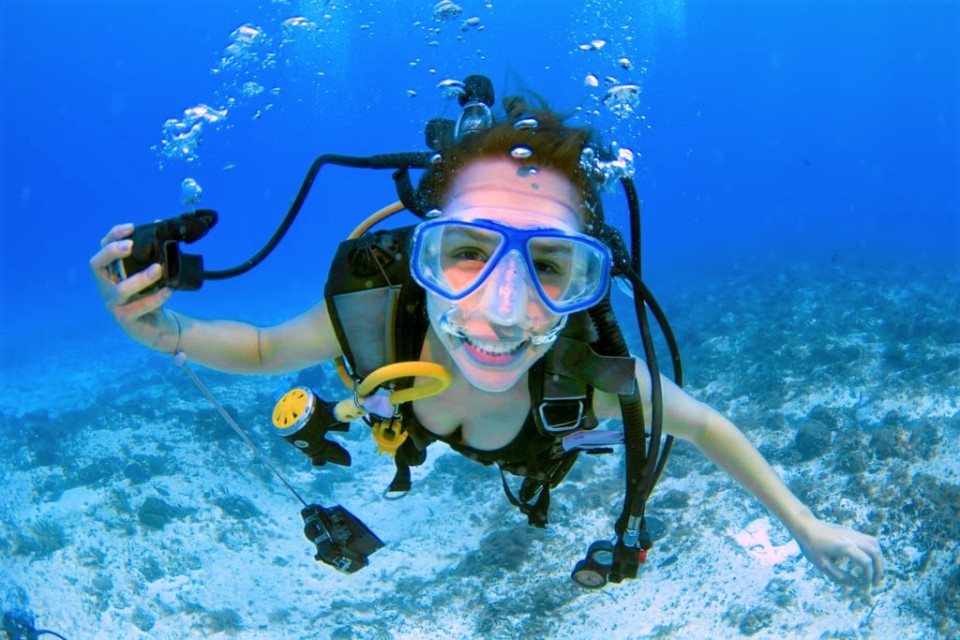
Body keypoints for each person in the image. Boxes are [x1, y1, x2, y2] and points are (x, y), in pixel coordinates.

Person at [90, 94, 883, 590]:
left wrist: (806, 525)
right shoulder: (379, 314)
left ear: (586, 279)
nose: (503, 314)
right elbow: (264, 348)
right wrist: (170, 331)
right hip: (408, 417)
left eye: (551, 267)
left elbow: (704, 425)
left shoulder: (585, 369)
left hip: (535, 454)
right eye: (465, 251)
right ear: (417, 255)